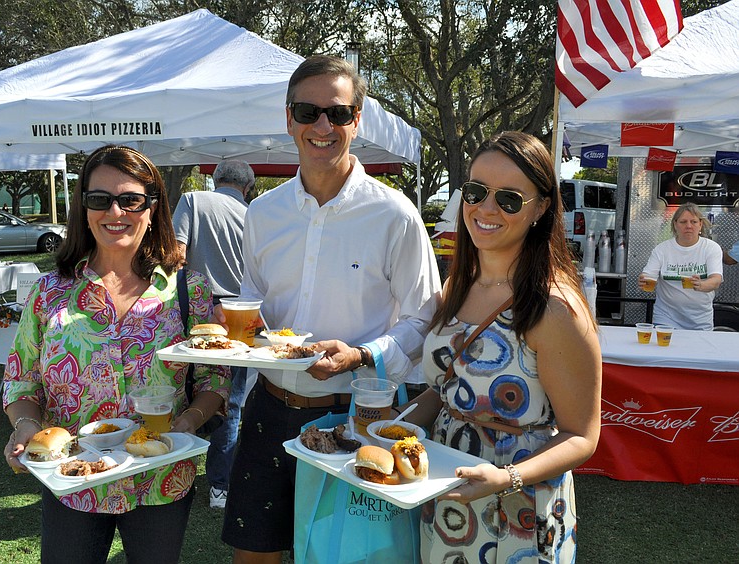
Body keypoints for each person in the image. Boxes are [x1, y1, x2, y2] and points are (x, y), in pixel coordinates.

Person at [219, 55, 441, 563]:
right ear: (289, 118)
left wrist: (363, 354)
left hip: (355, 418)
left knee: (344, 556)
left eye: (338, 114)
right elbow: (254, 307)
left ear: (356, 120)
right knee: (255, 554)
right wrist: (235, 330)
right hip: (269, 408)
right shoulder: (262, 212)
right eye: (308, 111)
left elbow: (424, 317)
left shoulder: (395, 214)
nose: (323, 126)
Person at [2, 145, 230, 563]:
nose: (116, 212)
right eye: (100, 199)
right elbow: (20, 380)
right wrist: (25, 427)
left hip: (162, 476)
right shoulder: (49, 293)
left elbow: (214, 376)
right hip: (73, 478)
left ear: (152, 207)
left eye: (131, 199)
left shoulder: (188, 289)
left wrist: (188, 422)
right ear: (83, 208)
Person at [397, 131, 601, 562]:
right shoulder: (458, 284)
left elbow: (582, 435)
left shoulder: (554, 308)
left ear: (541, 207)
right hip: (447, 487)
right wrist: (391, 431)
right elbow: (449, 389)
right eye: (476, 191)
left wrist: (507, 477)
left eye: (509, 199)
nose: (486, 209)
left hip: (518, 507)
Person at [173, 159, 255, 509]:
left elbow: (175, 255)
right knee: (229, 400)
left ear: (214, 179)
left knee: (181, 387)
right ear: (247, 188)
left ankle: (171, 461)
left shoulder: (193, 200)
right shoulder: (255, 214)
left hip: (198, 310)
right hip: (242, 315)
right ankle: (219, 485)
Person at [638, 202, 724, 330]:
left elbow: (716, 280)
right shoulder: (662, 249)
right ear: (675, 224)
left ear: (700, 224)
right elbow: (648, 275)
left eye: (694, 222)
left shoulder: (711, 248)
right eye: (683, 222)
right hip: (666, 318)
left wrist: (702, 285)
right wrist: (643, 279)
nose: (688, 226)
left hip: (700, 320)